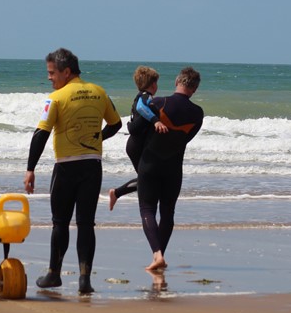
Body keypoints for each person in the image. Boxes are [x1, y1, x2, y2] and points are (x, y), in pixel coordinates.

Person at [24, 48, 122, 294]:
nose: (49, 78)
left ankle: (54, 274)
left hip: (66, 167)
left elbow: (41, 134)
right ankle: (84, 280)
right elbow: (116, 123)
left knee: (60, 223)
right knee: (86, 224)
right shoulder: (100, 92)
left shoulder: (56, 97)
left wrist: (30, 169)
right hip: (92, 166)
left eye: (51, 73)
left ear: (66, 71)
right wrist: (97, 138)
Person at [137, 67, 204, 271]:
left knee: (147, 209)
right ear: (195, 89)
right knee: (167, 212)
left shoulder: (158, 103)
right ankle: (160, 256)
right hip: (174, 166)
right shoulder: (198, 113)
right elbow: (186, 139)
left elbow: (138, 129)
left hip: (150, 162)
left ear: (177, 81)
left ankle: (157, 255)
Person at [109, 66, 168, 211]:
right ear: (153, 84)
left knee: (147, 180)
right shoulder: (145, 96)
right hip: (136, 145)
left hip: (136, 144)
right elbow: (142, 108)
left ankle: (118, 193)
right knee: (147, 180)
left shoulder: (143, 96)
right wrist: (156, 121)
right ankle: (119, 194)